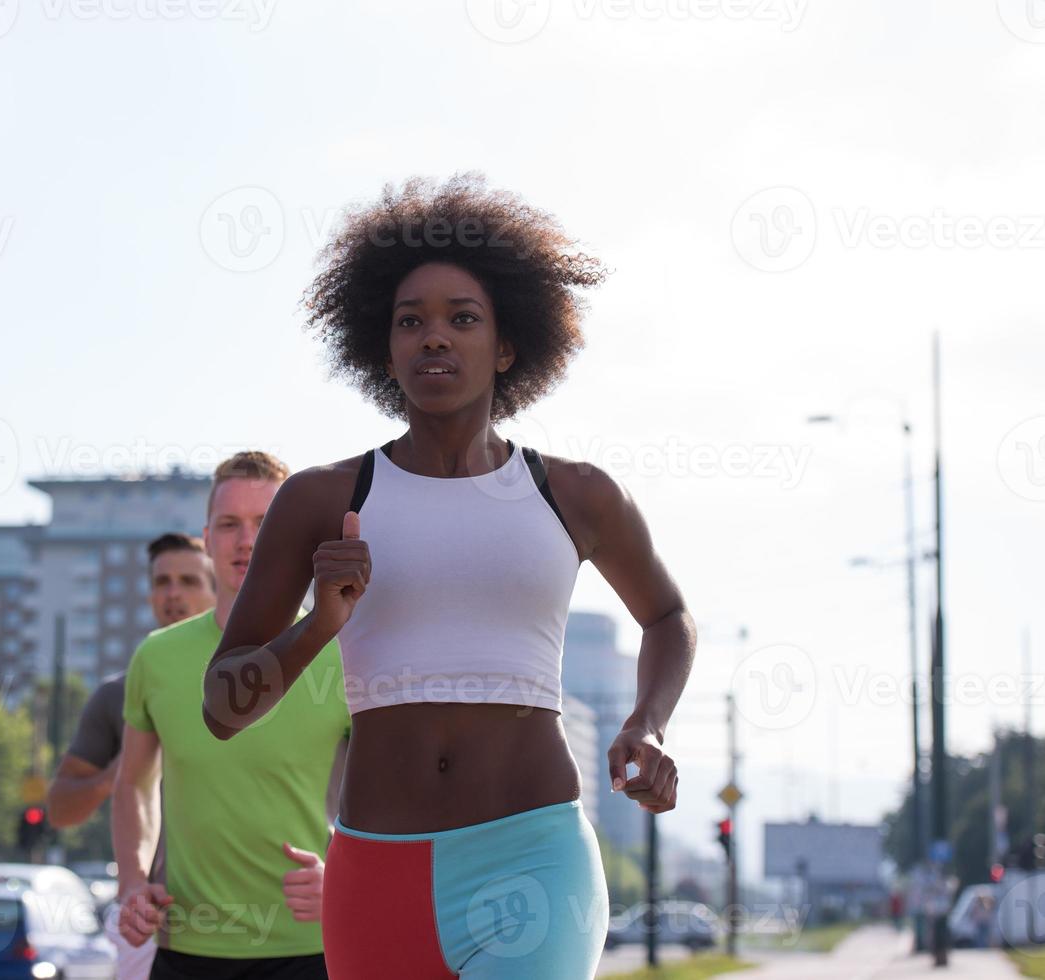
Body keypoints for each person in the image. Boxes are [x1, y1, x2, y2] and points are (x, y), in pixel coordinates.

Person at [202, 173, 696, 979]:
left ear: (505, 346)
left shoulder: (574, 494)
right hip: (373, 871)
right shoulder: (322, 498)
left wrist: (647, 723)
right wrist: (318, 625)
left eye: (461, 319)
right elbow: (221, 709)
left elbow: (668, 616)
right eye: (410, 322)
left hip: (532, 861)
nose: (435, 337)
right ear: (383, 347)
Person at [113, 451, 351, 980]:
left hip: (311, 951)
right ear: (206, 540)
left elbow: (393, 797)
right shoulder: (156, 657)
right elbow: (133, 783)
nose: (246, 540)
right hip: (185, 952)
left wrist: (344, 875)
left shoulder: (345, 653)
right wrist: (131, 880)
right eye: (229, 525)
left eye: (265, 523)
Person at [48, 532, 216, 979]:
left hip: (259, 917)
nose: (173, 593)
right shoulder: (116, 696)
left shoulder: (256, 683)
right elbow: (60, 809)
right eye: (162, 582)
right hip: (151, 918)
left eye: (188, 581)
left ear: (218, 590)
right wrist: (122, 772)